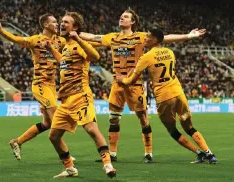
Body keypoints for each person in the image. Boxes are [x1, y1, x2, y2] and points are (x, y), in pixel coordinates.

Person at [80, 8, 206, 163]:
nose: (122, 18)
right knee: (113, 119)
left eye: (125, 17)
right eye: (121, 16)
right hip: (117, 84)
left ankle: (148, 153)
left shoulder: (141, 37)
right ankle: (112, 153)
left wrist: (188, 35)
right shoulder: (112, 37)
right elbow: (92, 37)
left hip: (135, 85)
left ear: (133, 21)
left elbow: (164, 38)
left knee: (143, 119)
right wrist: (73, 32)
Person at [117, 28, 217, 164]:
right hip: (179, 93)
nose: (145, 39)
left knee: (172, 130)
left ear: (155, 40)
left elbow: (130, 81)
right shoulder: (170, 52)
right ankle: (210, 154)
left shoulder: (146, 57)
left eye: (148, 37)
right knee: (189, 127)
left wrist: (121, 79)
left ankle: (198, 153)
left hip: (164, 96)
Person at [0, 13, 73, 161]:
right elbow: (17, 39)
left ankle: (17, 142)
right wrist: (2, 31)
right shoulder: (36, 40)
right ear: (46, 25)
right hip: (41, 85)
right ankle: (66, 155)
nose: (57, 24)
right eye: (54, 22)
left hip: (52, 86)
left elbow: (71, 46)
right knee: (57, 120)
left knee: (47, 123)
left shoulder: (59, 41)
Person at [47, 12, 116, 178]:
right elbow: (63, 62)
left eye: (66, 22)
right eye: (61, 22)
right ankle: (70, 168)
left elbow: (95, 56)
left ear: (75, 27)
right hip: (65, 100)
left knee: (92, 129)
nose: (62, 24)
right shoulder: (66, 46)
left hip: (80, 95)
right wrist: (50, 49)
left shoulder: (79, 44)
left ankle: (107, 164)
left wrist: (78, 38)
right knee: (54, 136)